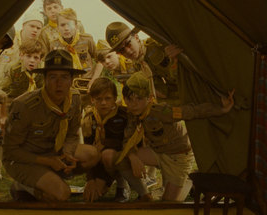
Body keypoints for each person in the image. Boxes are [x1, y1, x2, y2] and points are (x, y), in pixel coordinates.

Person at [119, 72, 235, 201]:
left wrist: (221, 109)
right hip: (159, 153)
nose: (134, 104)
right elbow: (127, 140)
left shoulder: (162, 112)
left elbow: (191, 111)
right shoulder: (132, 115)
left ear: (149, 98)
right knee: (123, 158)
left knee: (167, 204)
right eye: (129, 99)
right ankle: (145, 195)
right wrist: (133, 157)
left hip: (178, 157)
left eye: (139, 99)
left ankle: (189, 180)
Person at [2, 49, 98, 201]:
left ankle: (47, 178)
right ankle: (22, 186)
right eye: (53, 77)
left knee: (91, 154)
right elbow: (10, 152)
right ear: (44, 79)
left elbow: (72, 135)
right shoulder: (24, 106)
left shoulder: (74, 100)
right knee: (61, 194)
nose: (59, 84)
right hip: (25, 159)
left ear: (72, 80)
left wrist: (67, 154)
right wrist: (47, 161)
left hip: (54, 152)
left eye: (64, 77)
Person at [81, 77, 149, 202]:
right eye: (99, 99)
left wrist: (105, 143)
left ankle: (122, 185)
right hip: (99, 163)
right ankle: (105, 182)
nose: (103, 103)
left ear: (115, 98)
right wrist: (90, 180)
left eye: (108, 98)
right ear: (92, 99)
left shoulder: (124, 115)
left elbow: (131, 142)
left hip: (120, 158)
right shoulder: (89, 119)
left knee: (108, 155)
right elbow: (88, 153)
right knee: (92, 195)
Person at [105, 22, 183, 105]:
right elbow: (162, 93)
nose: (127, 51)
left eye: (128, 44)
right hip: (176, 101)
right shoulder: (138, 66)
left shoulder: (158, 44)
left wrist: (176, 59)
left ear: (136, 37)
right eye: (121, 50)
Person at [0, 9, 43, 85]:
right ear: (23, 26)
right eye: (32, 26)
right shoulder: (9, 39)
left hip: (21, 88)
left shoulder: (40, 47)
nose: (35, 30)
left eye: (38, 28)